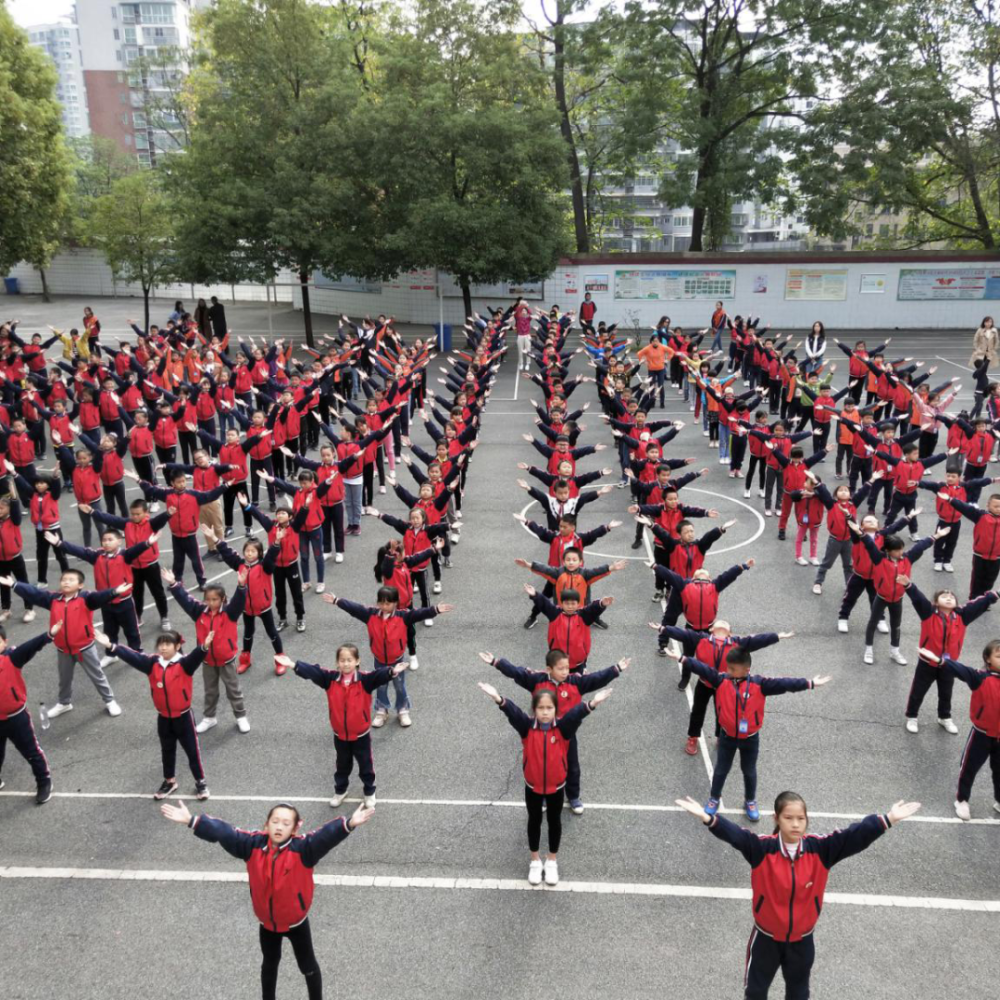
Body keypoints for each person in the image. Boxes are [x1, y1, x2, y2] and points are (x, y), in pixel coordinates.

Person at [675, 792, 921, 999]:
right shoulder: (762, 849)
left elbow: (853, 836)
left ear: (807, 820)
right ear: (777, 819)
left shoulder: (821, 849)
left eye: (801, 818)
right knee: (756, 992)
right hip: (766, 939)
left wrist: (887, 820)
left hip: (802, 941)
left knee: (799, 993)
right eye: (789, 818)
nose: (795, 824)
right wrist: (708, 818)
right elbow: (737, 836)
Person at [160, 798, 373, 1000]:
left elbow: (325, 837)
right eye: (275, 821)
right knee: (269, 965)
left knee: (307, 966)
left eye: (286, 823)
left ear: (295, 828)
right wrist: (192, 821)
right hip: (267, 924)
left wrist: (349, 824)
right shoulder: (251, 845)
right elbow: (225, 833)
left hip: (296, 923)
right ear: (266, 824)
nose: (279, 827)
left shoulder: (304, 850)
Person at [670, 646, 829, 820]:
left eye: (732, 669)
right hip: (727, 736)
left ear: (746, 669)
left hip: (751, 739)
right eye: (727, 667)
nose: (727, 671)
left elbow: (784, 684)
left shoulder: (760, 684)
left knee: (749, 770)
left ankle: (750, 800)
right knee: (721, 769)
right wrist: (682, 658)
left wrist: (810, 683)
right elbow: (702, 668)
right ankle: (714, 798)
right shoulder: (721, 680)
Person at [478, 680, 612, 885]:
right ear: (534, 710)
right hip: (532, 786)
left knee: (554, 822)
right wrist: (498, 698)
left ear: (555, 709)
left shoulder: (563, 728)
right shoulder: (526, 727)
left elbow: (577, 714)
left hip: (556, 787)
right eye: (541, 708)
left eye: (549, 708)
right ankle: (534, 861)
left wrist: (593, 703)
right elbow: (512, 712)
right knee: (534, 821)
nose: (545, 712)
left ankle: (551, 861)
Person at [482, 648, 626, 814]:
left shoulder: (576, 682)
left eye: (567, 668)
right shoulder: (536, 680)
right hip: (542, 732)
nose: (565, 672)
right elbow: (517, 672)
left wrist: (616, 669)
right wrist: (497, 663)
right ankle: (543, 795)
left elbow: (597, 678)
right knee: (544, 764)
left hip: (565, 733)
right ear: (549, 669)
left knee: (572, 765)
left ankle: (573, 796)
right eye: (561, 668)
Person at [283, 644, 407, 808]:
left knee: (365, 764)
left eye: (349, 660)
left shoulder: (364, 680)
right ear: (337, 663)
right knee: (342, 764)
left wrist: (392, 671)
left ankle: (369, 791)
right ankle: (340, 790)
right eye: (342, 660)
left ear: (357, 661)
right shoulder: (330, 679)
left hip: (361, 735)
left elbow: (379, 675)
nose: (346, 664)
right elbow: (314, 672)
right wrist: (293, 665)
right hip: (340, 734)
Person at [95, 628, 210, 800]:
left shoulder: (184, 664)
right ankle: (170, 781)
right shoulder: (152, 663)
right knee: (167, 750)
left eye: (167, 644)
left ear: (177, 646)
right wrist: (111, 646)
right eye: (160, 644)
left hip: (183, 717)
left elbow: (196, 656)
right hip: (163, 717)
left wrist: (204, 647)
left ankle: (200, 782)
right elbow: (133, 657)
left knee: (192, 751)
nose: (163, 648)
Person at [323, 586, 454, 727]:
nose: (384, 606)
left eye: (388, 603)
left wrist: (435, 610)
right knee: (381, 686)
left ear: (395, 603)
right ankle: (381, 711)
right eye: (381, 603)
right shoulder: (370, 615)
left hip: (397, 660)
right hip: (379, 660)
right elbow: (355, 608)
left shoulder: (403, 616)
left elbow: (419, 614)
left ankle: (402, 710)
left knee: (399, 686)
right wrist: (337, 601)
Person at [8, 569, 126, 719]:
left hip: (85, 648)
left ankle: (110, 701)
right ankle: (64, 703)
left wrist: (114, 592)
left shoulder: (86, 599)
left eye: (71, 580)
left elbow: (99, 597)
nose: (66, 582)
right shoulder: (53, 599)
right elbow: (34, 593)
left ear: (80, 585)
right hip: (63, 649)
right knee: (64, 679)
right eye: (64, 579)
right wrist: (15, 584)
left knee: (97, 676)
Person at [164, 568, 250, 735]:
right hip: (207, 660)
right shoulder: (199, 612)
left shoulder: (229, 613)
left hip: (226, 660)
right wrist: (174, 584)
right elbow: (185, 600)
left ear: (223, 599)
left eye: (215, 600)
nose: (211, 603)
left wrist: (241, 586)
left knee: (233, 690)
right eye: (208, 599)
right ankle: (209, 717)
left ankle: (241, 716)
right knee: (210, 691)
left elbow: (239, 602)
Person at [920, 642, 1000, 820]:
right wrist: (940, 661)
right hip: (981, 734)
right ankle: (962, 799)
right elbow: (961, 669)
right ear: (988, 659)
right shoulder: (980, 677)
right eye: (998, 656)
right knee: (969, 767)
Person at [904, 583, 997, 734]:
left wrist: (993, 596)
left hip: (948, 664)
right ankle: (912, 716)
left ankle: (944, 717)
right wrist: (908, 586)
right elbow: (918, 598)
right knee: (918, 690)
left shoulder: (962, 616)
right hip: (927, 662)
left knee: (946, 692)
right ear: (935, 602)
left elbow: (978, 604)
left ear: (956, 603)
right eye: (944, 596)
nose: (948, 598)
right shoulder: (928, 612)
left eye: (951, 597)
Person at [0, 622, 59, 804]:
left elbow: (30, 646)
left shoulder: (12, 657)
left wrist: (48, 635)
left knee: (31, 751)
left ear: (4, 642)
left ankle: (44, 781)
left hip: (16, 717)